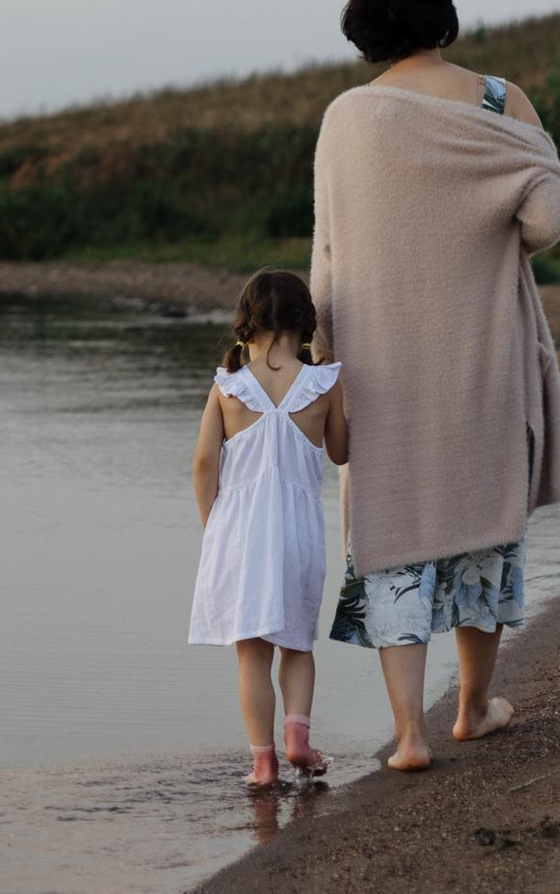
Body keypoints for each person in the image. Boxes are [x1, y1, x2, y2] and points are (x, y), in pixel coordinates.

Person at [312, 0, 560, 772]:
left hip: (381, 365)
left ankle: (410, 737)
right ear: (441, 13)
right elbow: (547, 220)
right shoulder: (499, 100)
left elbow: (327, 255)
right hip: (482, 356)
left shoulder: (347, 119)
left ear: (367, 28)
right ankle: (471, 708)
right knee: (482, 529)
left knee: (392, 535)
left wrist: (322, 363)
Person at [189, 270, 349, 791]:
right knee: (297, 645)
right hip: (299, 532)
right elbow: (342, 451)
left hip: (239, 532)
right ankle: (298, 737)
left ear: (248, 323)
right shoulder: (324, 383)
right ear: (304, 323)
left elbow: (202, 465)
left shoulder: (228, 387)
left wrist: (212, 526)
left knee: (251, 653)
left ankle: (263, 763)